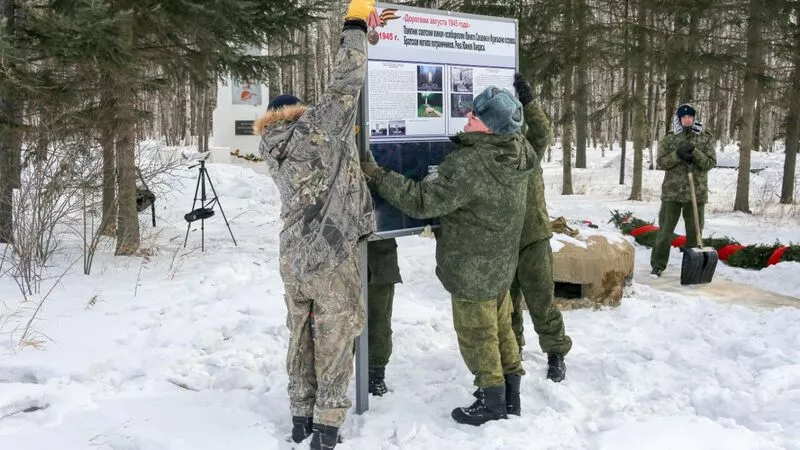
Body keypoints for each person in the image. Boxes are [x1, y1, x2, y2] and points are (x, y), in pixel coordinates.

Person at [361, 86, 531, 426]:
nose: (468, 116)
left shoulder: (471, 164)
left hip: (471, 266)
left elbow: (422, 201)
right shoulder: (521, 150)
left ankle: (492, 401)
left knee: (477, 335)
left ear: (490, 128)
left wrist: (377, 174)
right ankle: (511, 394)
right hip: (500, 261)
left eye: (476, 115)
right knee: (501, 327)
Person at [254, 0, 376, 448]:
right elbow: (347, 79)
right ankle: (327, 425)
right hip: (330, 257)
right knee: (334, 337)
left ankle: (300, 417)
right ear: (300, 114)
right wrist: (355, 22)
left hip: (293, 258)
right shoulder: (315, 131)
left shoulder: (273, 146)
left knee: (300, 336)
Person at [509, 73, 573, 383]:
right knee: (506, 305)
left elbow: (541, 129)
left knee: (542, 302)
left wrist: (529, 101)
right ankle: (513, 352)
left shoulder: (529, 148)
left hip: (533, 237)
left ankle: (555, 352)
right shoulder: (487, 154)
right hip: (502, 241)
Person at [650, 103, 717, 277]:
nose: (687, 119)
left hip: (696, 193)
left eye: (690, 116)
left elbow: (710, 163)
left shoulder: (705, 138)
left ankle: (692, 269)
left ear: (694, 118)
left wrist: (695, 152)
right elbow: (661, 162)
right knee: (665, 232)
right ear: (679, 119)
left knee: (695, 234)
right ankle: (657, 265)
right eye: (684, 117)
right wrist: (677, 155)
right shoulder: (670, 138)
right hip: (672, 193)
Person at [367, 238, 401, 396]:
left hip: (380, 259)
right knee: (340, 326)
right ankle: (336, 377)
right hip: (340, 259)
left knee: (379, 324)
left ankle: (375, 374)